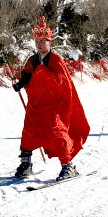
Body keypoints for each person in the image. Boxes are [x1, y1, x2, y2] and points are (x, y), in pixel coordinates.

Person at [12, 16, 90, 180]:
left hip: (55, 105)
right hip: (37, 105)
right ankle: (26, 164)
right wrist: (21, 84)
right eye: (37, 41)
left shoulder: (56, 59)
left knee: (57, 132)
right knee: (29, 132)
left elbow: (62, 81)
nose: (39, 44)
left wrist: (44, 75)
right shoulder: (33, 59)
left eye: (43, 41)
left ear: (50, 42)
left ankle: (67, 166)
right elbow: (28, 75)